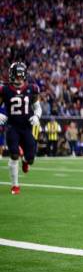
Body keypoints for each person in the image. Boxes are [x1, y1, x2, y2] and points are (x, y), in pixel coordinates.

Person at [0, 62, 42, 195]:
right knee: (13, 154)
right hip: (12, 126)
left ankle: (25, 161)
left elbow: (37, 107)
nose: (18, 79)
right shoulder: (4, 90)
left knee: (30, 158)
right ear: (11, 76)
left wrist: (37, 116)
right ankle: (15, 186)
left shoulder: (32, 89)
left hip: (27, 127)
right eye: (16, 76)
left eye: (21, 76)